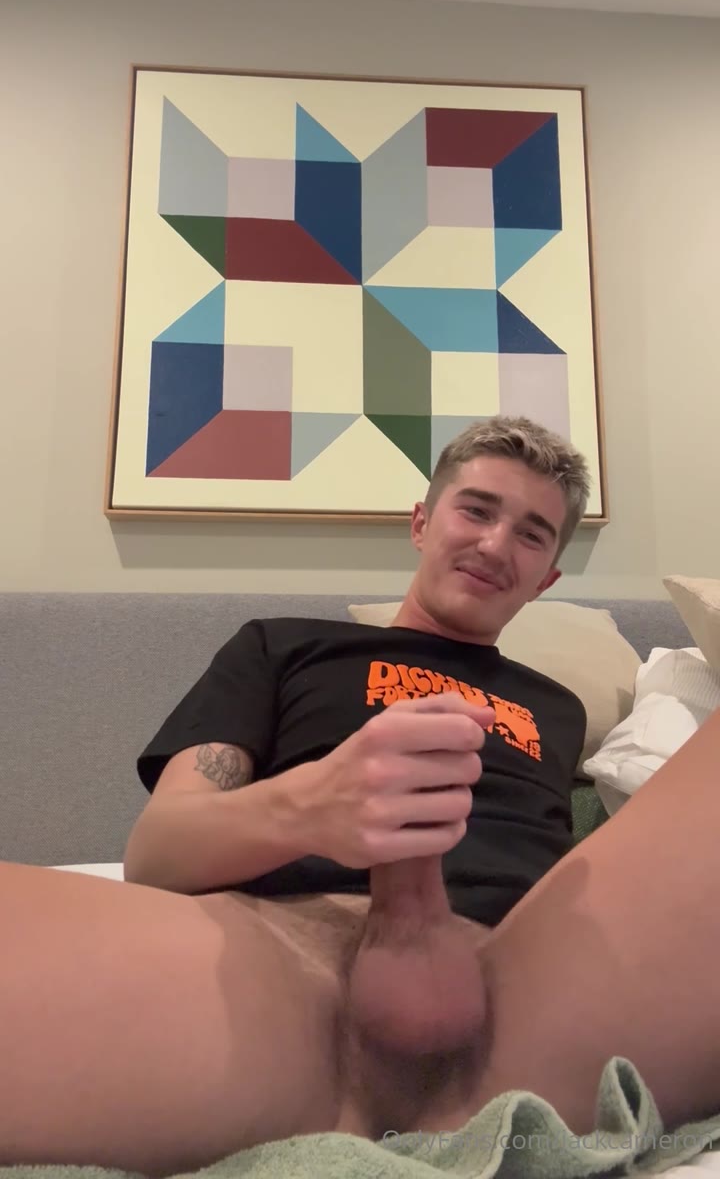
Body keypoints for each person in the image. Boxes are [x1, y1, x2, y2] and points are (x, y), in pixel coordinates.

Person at [3, 415, 720, 1177]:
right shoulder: (283, 646)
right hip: (285, 964)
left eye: (531, 534)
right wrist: (316, 805)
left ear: (546, 579)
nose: (494, 545)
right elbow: (158, 854)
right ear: (421, 523)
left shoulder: (559, 706)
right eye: (476, 510)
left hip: (525, 985)